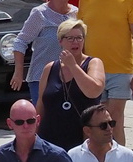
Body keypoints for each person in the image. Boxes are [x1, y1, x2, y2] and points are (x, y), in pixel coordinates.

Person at [77, 0, 133, 144]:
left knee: (114, 120)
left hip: (121, 70)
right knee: (94, 119)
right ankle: (95, 158)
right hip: (93, 70)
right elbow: (79, 35)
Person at [36, 18, 106, 150]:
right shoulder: (50, 68)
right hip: (50, 139)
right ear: (60, 41)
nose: (76, 42)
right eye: (70, 38)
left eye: (79, 38)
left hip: (82, 140)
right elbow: (41, 105)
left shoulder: (93, 63)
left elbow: (93, 91)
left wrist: (73, 66)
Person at [12, 0, 78, 103]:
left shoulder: (76, 13)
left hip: (70, 77)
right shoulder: (40, 13)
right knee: (42, 119)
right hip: (41, 78)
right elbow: (20, 42)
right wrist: (18, 73)